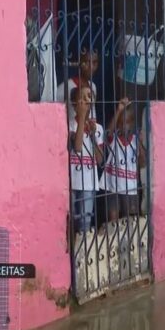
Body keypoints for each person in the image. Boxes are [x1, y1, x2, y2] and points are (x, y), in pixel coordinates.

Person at [100, 97, 147, 222]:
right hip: (113, 187)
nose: (123, 126)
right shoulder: (113, 138)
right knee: (113, 220)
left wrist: (141, 143)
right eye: (120, 122)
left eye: (126, 122)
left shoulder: (136, 141)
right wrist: (119, 110)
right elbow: (108, 133)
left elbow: (142, 163)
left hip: (130, 188)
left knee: (129, 220)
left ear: (132, 123)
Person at [69, 85, 104, 234]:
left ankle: (83, 253)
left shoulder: (98, 128)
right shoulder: (70, 124)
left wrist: (93, 135)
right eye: (81, 98)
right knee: (71, 219)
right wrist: (82, 118)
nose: (85, 101)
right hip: (73, 180)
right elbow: (77, 147)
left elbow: (100, 159)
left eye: (89, 96)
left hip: (89, 182)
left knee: (85, 220)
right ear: (74, 103)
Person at [56, 49, 99, 126]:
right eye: (87, 62)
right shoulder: (66, 87)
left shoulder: (93, 86)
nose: (91, 66)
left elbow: (92, 112)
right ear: (80, 63)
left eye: (94, 62)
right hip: (73, 130)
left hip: (90, 131)